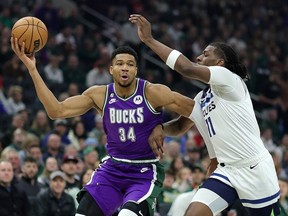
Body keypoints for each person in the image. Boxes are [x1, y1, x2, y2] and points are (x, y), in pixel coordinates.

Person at [11, 38, 195, 216]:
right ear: (111, 69)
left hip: (144, 171)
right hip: (112, 169)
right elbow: (56, 111)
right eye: (120, 63)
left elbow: (195, 111)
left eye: (130, 64)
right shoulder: (99, 95)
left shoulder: (153, 92)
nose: (125, 67)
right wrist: (33, 69)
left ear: (136, 70)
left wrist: (163, 128)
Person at [129, 14, 280, 216]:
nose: (199, 57)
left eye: (205, 54)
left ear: (219, 62)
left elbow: (186, 67)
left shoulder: (230, 80)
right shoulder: (202, 97)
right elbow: (181, 126)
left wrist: (149, 40)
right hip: (227, 171)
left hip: (254, 169)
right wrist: (160, 128)